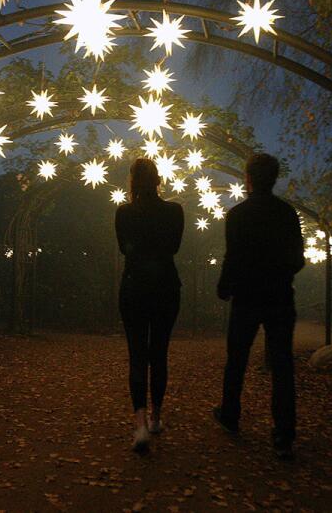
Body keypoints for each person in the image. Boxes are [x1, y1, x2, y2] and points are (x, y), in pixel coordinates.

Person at [211, 153, 306, 460]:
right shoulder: (287, 214)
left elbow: (233, 256)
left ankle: (230, 413)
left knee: (236, 358)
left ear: (247, 178)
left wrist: (226, 286)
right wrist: (280, 272)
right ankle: (283, 433)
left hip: (247, 296)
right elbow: (298, 259)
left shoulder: (238, 215)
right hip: (279, 296)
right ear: (274, 178)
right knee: (281, 364)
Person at [115, 158, 184, 452]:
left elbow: (123, 248)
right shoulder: (174, 211)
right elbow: (175, 248)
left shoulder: (124, 213)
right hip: (165, 287)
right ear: (159, 180)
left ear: (132, 181)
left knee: (136, 355)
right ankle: (156, 416)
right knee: (159, 354)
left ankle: (139, 423)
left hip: (134, 287)